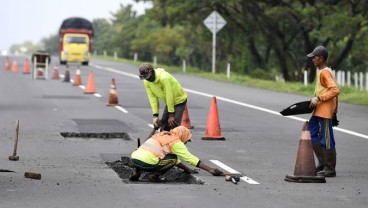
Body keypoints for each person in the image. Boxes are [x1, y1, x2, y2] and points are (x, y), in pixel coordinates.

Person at [129, 126, 224, 182]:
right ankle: (154, 176)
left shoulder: (162, 134)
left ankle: (136, 172)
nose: (186, 142)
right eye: (187, 140)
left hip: (134, 159)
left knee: (150, 155)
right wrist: (210, 169)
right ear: (183, 136)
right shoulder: (175, 142)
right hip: (147, 162)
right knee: (173, 158)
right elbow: (189, 158)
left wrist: (186, 169)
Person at [307, 46, 340, 177]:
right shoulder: (320, 71)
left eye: (314, 57)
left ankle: (330, 169)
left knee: (326, 139)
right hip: (318, 110)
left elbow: (335, 90)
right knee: (310, 132)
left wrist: (319, 98)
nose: (313, 59)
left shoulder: (325, 72)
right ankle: (322, 163)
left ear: (321, 58)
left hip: (324, 110)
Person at [138, 63, 187, 131]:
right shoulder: (147, 82)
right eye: (143, 77)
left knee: (173, 125)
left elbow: (169, 95)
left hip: (179, 99)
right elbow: (153, 99)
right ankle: (164, 140)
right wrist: (155, 116)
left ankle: (179, 140)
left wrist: (171, 116)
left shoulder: (164, 78)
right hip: (169, 102)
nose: (145, 79)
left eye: (146, 76)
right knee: (164, 125)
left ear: (151, 72)